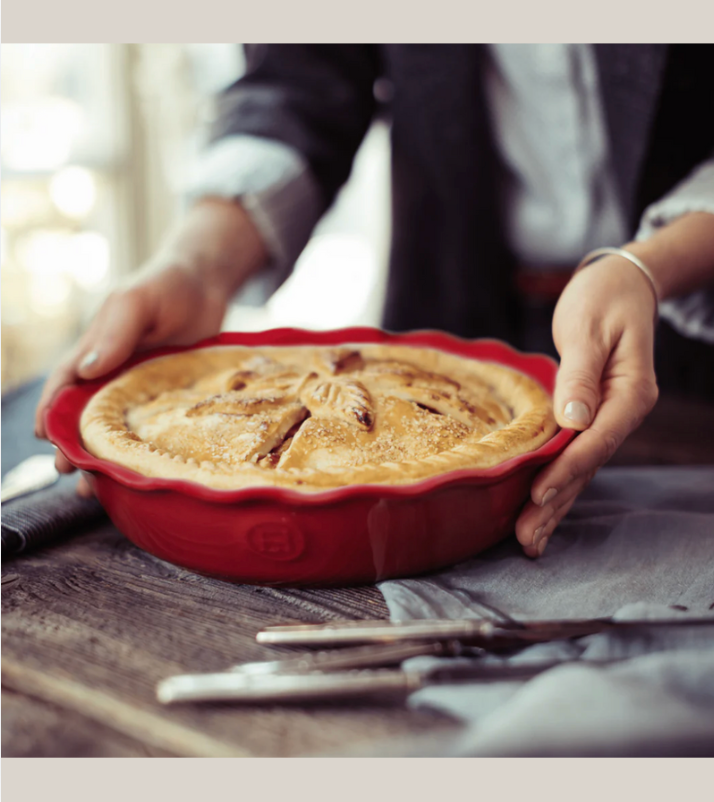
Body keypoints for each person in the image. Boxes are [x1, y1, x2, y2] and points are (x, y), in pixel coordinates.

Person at [35, 45, 714, 558]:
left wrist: (649, 267)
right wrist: (196, 264)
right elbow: (303, 75)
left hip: (679, 332)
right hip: (450, 302)